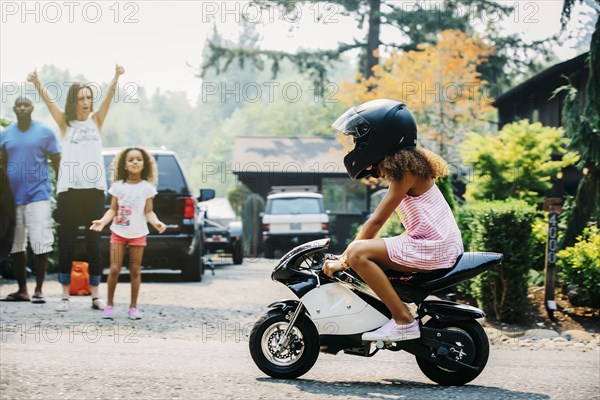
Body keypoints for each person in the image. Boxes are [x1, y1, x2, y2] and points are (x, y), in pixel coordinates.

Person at [324, 99, 463, 342]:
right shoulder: (410, 168)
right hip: (434, 244)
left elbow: (377, 221)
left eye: (360, 139)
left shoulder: (408, 172)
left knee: (358, 253)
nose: (357, 144)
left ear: (382, 138)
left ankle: (403, 321)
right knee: (361, 255)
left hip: (435, 247)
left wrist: (345, 259)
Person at [28, 65, 125, 312]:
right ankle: (64, 296)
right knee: (68, 242)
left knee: (94, 241)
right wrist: (37, 81)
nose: (86, 101)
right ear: (74, 101)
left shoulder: (96, 121)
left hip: (93, 190)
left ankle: (95, 296)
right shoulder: (65, 122)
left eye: (89, 97)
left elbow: (109, 98)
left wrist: (115, 77)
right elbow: (48, 102)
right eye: (81, 98)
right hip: (69, 191)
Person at [90, 147, 166, 319]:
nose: (135, 162)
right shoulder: (118, 186)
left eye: (138, 159)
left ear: (144, 164)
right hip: (118, 233)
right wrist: (102, 221)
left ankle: (133, 307)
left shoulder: (147, 188)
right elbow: (113, 210)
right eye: (131, 159)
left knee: (135, 270)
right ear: (124, 164)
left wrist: (156, 222)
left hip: (138, 234)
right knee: (115, 269)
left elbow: (149, 212)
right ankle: (109, 306)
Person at [0, 96, 60, 303]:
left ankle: (39, 290)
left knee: (40, 242)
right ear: (14, 109)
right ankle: (22, 290)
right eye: (19, 105)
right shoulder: (5, 134)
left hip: (38, 196)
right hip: (12, 200)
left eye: (26, 105)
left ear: (32, 108)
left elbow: (57, 162)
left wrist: (59, 190)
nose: (23, 108)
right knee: (16, 244)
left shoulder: (45, 132)